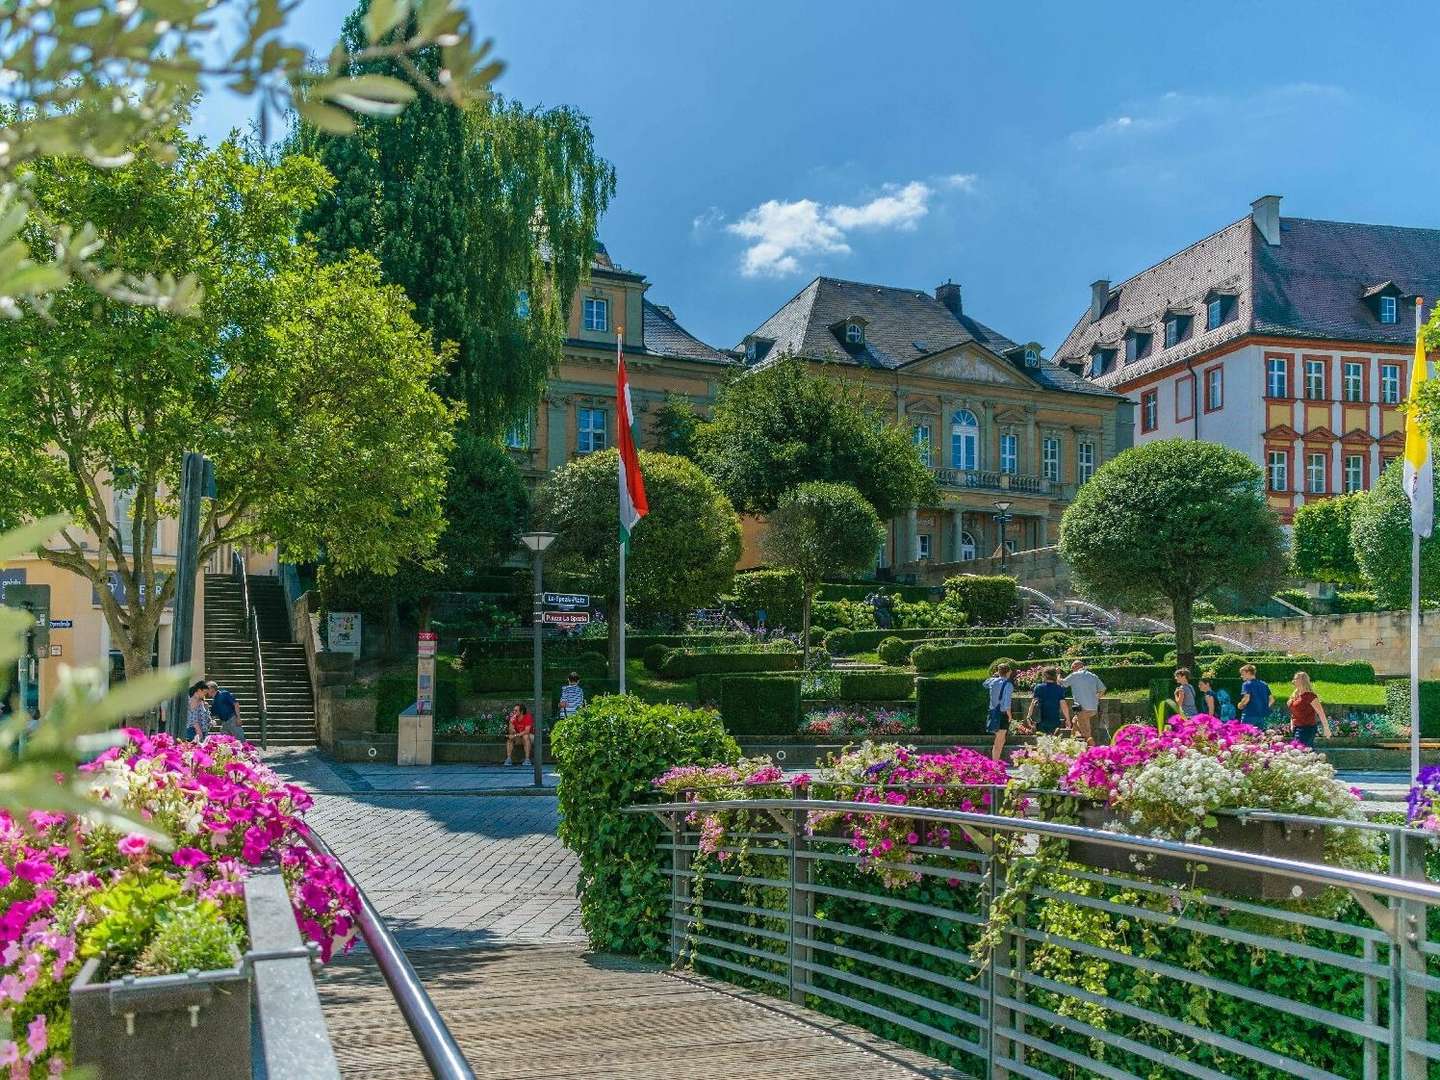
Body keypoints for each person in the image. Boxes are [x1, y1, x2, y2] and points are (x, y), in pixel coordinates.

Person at [1061, 659, 1106, 744]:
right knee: (1075, 721)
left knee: (1086, 734)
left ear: (1076, 667)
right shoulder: (1093, 675)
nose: (1072, 670)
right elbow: (1103, 689)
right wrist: (1095, 698)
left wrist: (1058, 674)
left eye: (1072, 668)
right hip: (1093, 709)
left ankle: (1094, 752)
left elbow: (1062, 683)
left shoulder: (1075, 675)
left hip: (1082, 709)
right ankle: (1071, 743)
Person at [1287, 671, 1331, 748]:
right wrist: (1292, 723)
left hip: (1307, 729)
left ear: (1302, 680)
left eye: (1295, 679)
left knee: (1300, 753)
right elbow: (1293, 712)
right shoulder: (1296, 695)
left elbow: (1321, 712)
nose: (1293, 681)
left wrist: (1326, 729)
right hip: (1297, 728)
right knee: (1301, 753)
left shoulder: (1310, 696)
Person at [1027, 667, 1071, 737]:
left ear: (1045, 676)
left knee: (1041, 742)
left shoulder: (1038, 687)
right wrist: (1068, 719)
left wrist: (1028, 716)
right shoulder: (1059, 688)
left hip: (1040, 719)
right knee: (1054, 742)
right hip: (1054, 719)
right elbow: (1064, 705)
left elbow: (1033, 703)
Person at [984, 663, 1015, 762]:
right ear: (1009, 672)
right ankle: (995, 763)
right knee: (1000, 740)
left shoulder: (992, 681)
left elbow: (984, 683)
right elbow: (1007, 703)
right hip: (1002, 714)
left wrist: (995, 676)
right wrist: (1010, 715)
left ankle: (995, 762)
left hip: (993, 712)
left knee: (1000, 739)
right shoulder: (1008, 684)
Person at [1237, 664, 1273, 729]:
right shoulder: (1264, 684)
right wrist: (1264, 708)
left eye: (1242, 674)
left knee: (1245, 737)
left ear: (1248, 672)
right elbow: (1272, 700)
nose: (1241, 676)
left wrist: (1240, 705)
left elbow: (1247, 698)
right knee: (1259, 737)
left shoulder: (1246, 684)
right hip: (1262, 716)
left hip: (1249, 715)